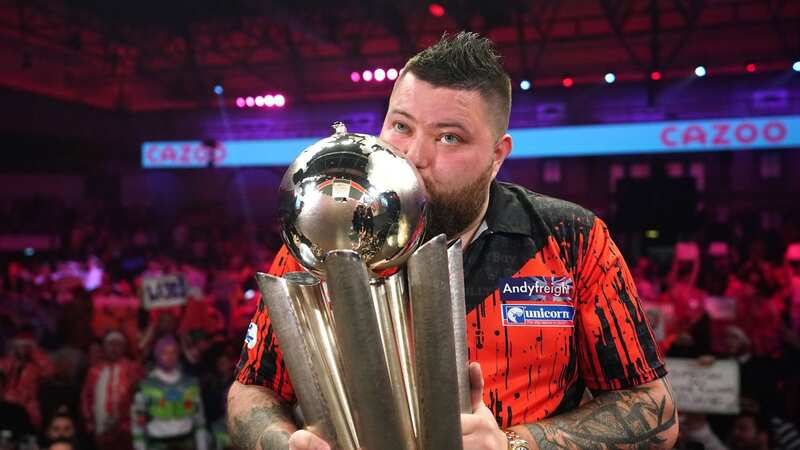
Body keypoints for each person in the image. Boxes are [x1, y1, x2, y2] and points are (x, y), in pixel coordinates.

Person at [227, 32, 677, 450]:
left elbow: (653, 409)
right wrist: (280, 443)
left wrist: (512, 445)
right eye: (401, 126)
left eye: (449, 137)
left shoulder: (572, 239)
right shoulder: (325, 237)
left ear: (497, 157)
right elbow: (253, 387)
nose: (415, 156)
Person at [131, 335, 208, 450]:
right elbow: (137, 425)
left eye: (173, 352)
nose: (170, 357)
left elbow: (200, 421)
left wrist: (203, 446)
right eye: (165, 352)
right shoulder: (145, 386)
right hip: (157, 444)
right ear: (157, 354)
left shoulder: (190, 384)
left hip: (187, 443)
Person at [80, 330, 143, 450]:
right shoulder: (94, 371)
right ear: (104, 347)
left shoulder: (133, 369)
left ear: (124, 347)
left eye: (118, 344)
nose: (114, 348)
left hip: (127, 429)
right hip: (101, 429)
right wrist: (88, 421)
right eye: (110, 344)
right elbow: (86, 398)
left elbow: (140, 397)